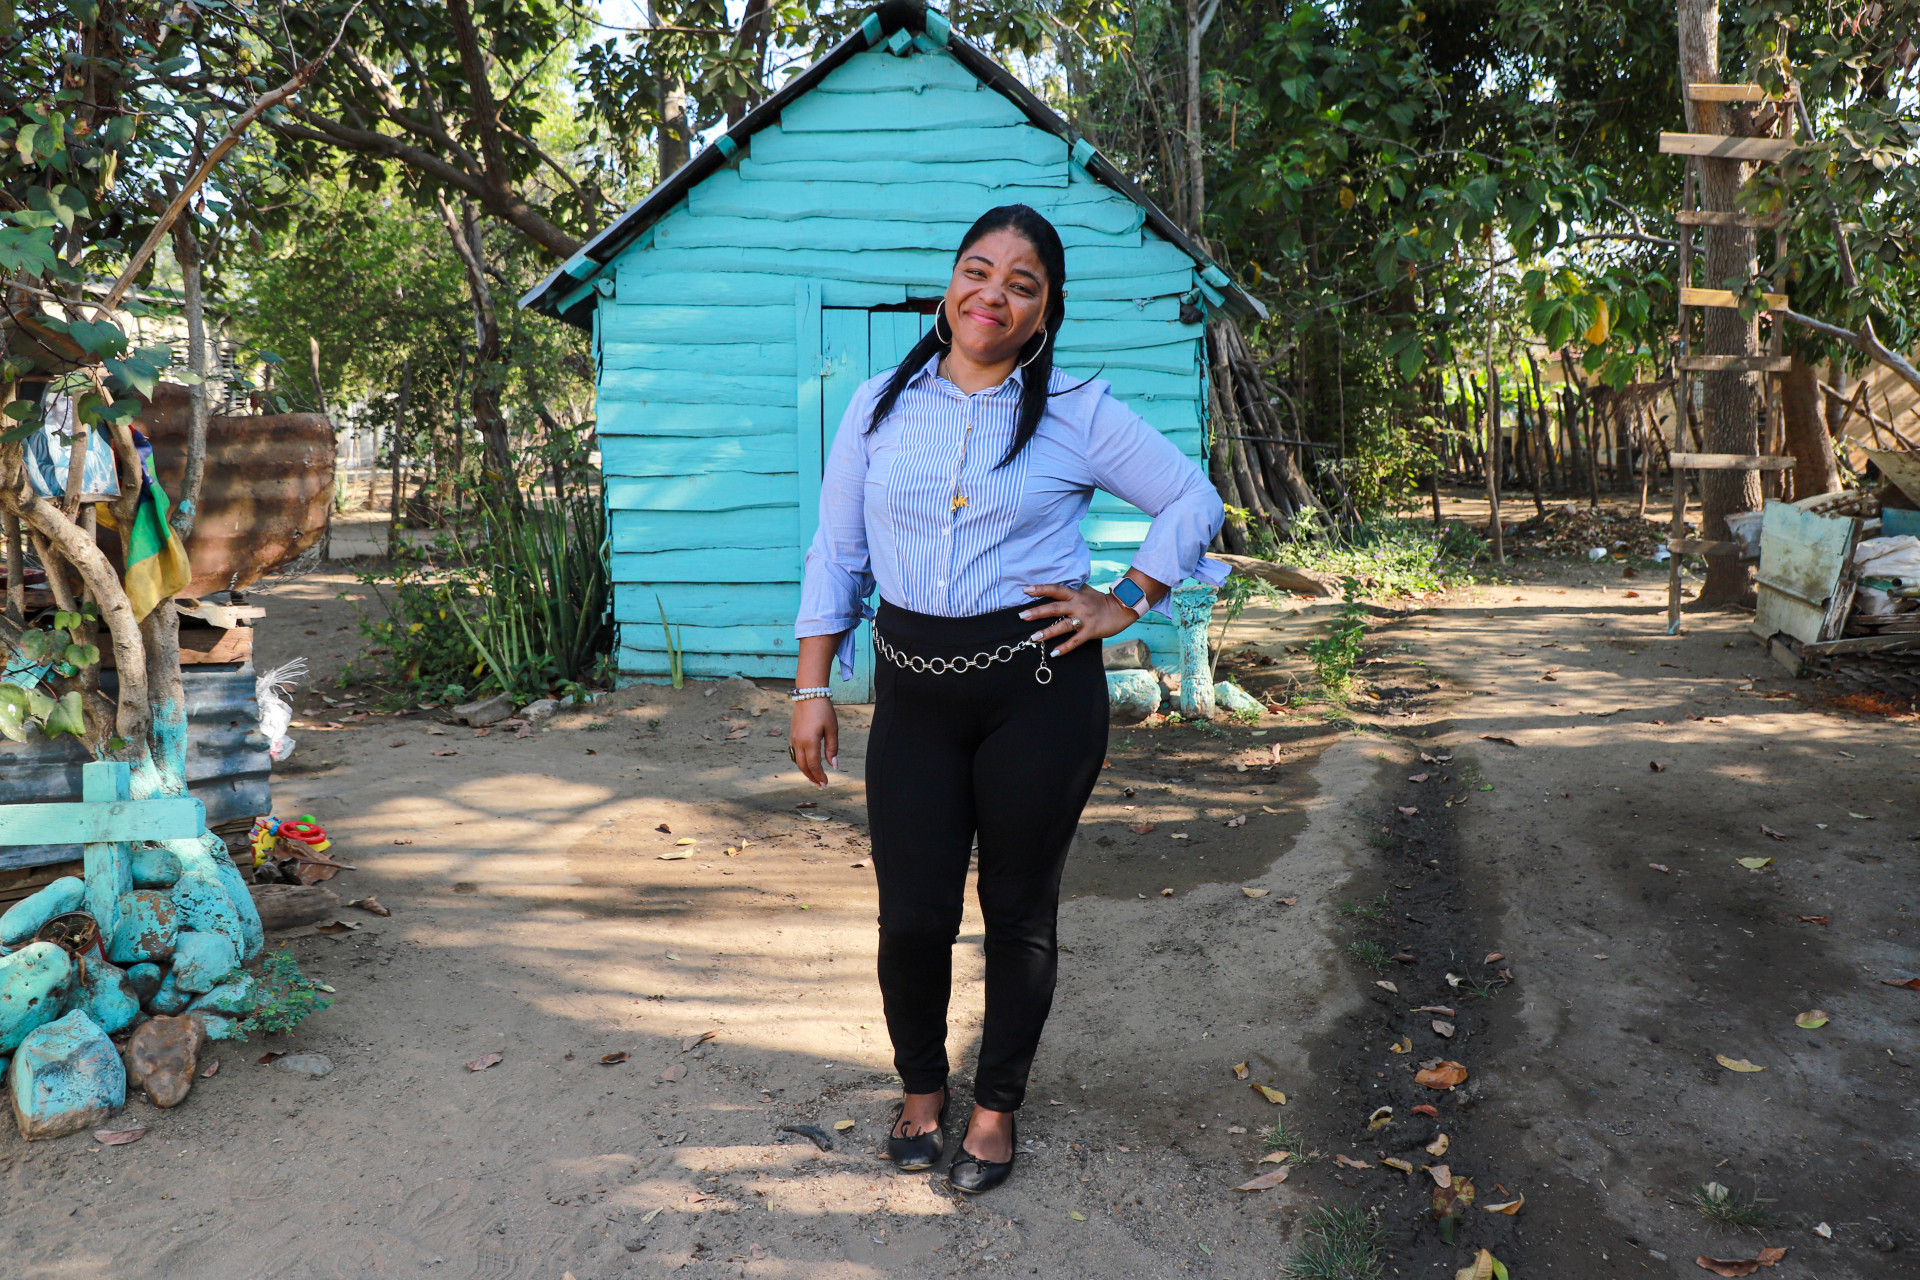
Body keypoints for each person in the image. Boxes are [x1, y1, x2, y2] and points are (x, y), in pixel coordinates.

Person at [789, 204, 1225, 1194]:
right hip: (915, 693)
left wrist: (1124, 599)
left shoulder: (1076, 411)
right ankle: (922, 1089)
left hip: (1040, 693)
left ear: (1044, 311)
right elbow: (839, 553)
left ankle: (995, 1109)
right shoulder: (877, 407)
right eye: (977, 271)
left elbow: (1192, 499)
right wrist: (812, 684)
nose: (993, 293)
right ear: (950, 285)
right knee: (912, 917)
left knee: (1019, 912)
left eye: (1021, 284)